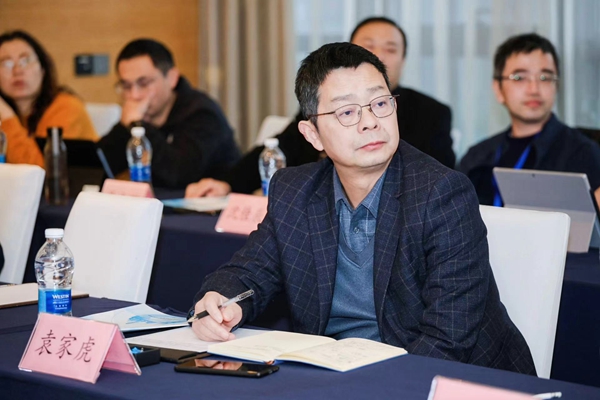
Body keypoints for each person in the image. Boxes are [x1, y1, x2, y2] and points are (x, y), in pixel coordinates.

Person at [191, 42, 535, 375]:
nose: (370, 122)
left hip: (448, 379)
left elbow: (448, 338)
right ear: (312, 135)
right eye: (347, 112)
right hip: (336, 371)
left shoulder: (442, 193)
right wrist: (220, 300)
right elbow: (249, 273)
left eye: (380, 103)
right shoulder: (295, 191)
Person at [185, 16, 454, 198]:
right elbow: (280, 147)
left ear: (404, 60)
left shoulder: (431, 113)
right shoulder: (323, 106)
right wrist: (228, 183)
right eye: (368, 46)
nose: (378, 56)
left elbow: (438, 176)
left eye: (391, 49)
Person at [459, 33, 600, 206]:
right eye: (519, 77)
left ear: (556, 86)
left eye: (545, 77)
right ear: (498, 89)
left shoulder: (583, 153)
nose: (534, 89)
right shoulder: (476, 157)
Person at [97, 39, 240, 189]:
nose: (134, 95)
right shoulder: (137, 116)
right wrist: (128, 127)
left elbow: (179, 175)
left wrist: (139, 125)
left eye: (144, 84)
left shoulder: (203, 113)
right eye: (126, 86)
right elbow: (98, 169)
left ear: (172, 78)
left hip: (209, 202)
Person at [0, 30, 98, 167]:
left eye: (25, 61)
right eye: (7, 63)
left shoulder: (66, 107)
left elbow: (42, 171)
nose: (17, 71)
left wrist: (6, 116)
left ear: (43, 69)